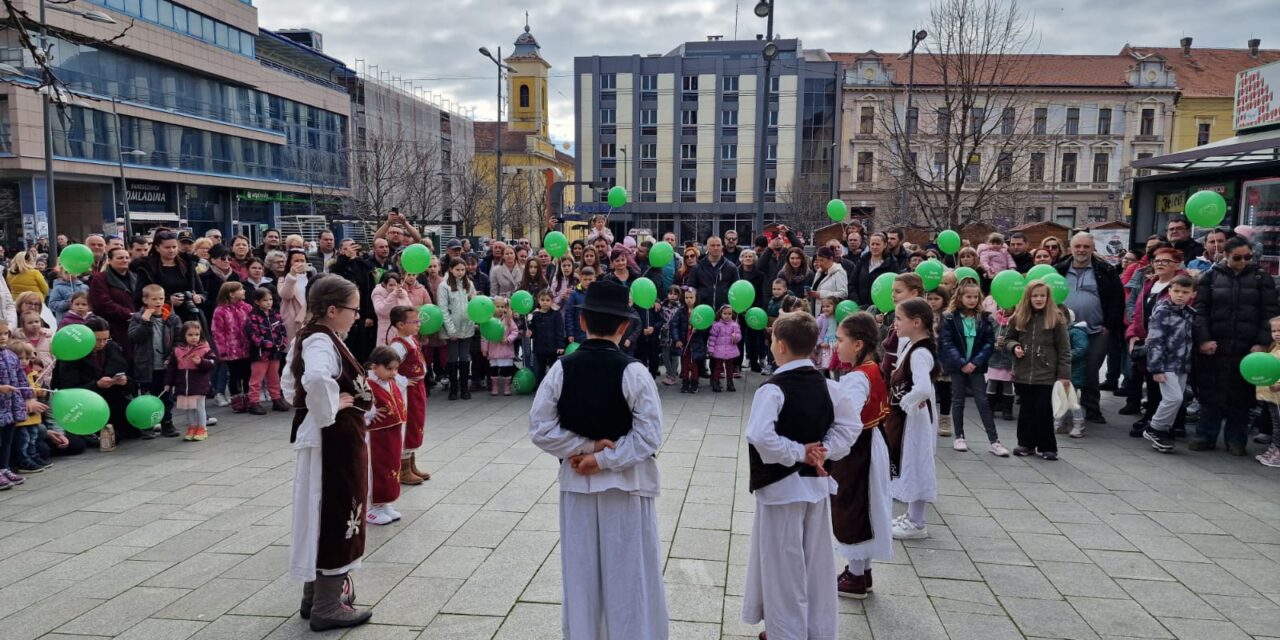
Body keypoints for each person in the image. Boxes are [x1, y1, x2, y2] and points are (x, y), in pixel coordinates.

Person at [528, 280, 669, 640]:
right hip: (626, 485)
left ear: (585, 322)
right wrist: (602, 456)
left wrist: (587, 450)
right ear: (624, 327)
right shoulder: (635, 372)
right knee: (630, 574)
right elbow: (649, 435)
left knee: (581, 576)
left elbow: (540, 429)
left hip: (578, 483)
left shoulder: (561, 369)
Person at [741, 311, 853, 639]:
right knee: (816, 563)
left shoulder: (773, 389)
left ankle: (786, 632)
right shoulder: (830, 387)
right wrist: (824, 450)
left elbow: (760, 435)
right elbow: (850, 427)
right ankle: (815, 630)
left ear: (780, 345)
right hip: (815, 486)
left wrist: (800, 452)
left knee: (782, 566)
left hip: (780, 488)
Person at [280, 275, 374, 632]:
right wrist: (331, 408)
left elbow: (291, 383)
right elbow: (315, 380)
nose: (356, 315)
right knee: (333, 514)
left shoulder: (318, 336)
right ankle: (327, 605)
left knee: (324, 514)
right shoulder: (320, 340)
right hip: (331, 444)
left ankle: (314, 598)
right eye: (353, 309)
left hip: (329, 440)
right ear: (332, 309)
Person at [1194, 236, 1278, 454]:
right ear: (1226, 256)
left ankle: (1236, 440)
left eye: (1247, 257)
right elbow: (1201, 311)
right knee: (1211, 392)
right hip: (1216, 344)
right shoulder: (1210, 277)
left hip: (1247, 346)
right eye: (1237, 257)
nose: (1243, 261)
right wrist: (1203, 339)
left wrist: (1261, 343)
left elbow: (1269, 314)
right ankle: (1205, 436)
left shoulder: (1262, 278)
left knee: (1241, 396)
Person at [830, 312, 892, 599]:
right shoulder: (872, 368)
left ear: (858, 344)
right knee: (864, 506)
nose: (835, 345)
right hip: (870, 441)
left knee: (853, 506)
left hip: (857, 449)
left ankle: (856, 577)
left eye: (840, 340)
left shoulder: (857, 377)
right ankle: (861, 570)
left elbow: (848, 418)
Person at [1056, 232, 1124, 427]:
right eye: (1078, 246)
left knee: (1091, 368)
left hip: (1096, 331)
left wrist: (1109, 326)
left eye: (1086, 246)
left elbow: (1117, 299)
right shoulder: (1058, 269)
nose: (1081, 250)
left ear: (1093, 248)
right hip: (1063, 330)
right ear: (1071, 247)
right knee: (1061, 367)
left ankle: (1091, 408)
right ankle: (1059, 407)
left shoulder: (1105, 270)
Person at [886, 298, 939, 540]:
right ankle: (912, 514)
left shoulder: (920, 352)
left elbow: (923, 387)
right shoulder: (911, 345)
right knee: (910, 463)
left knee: (917, 464)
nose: (895, 323)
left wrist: (909, 400)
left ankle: (917, 522)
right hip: (907, 418)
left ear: (916, 322)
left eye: (899, 319)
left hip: (914, 420)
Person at [1006, 281, 1071, 460]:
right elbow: (1007, 340)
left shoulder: (1056, 319)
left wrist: (1064, 375)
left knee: (1043, 410)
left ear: (1048, 298)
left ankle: (1047, 446)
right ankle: (1026, 443)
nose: (1039, 299)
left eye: (1042, 295)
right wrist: (1014, 347)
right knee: (1026, 410)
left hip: (1046, 374)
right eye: (1035, 295)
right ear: (1028, 298)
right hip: (1023, 374)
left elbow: (1064, 349)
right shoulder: (1018, 317)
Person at [53, 317, 130, 447]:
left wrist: (124, 381)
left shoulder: (111, 348)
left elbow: (126, 371)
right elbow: (67, 388)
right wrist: (96, 385)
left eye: (105, 339)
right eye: (97, 340)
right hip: (82, 403)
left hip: (112, 398)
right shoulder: (72, 354)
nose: (102, 343)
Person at [1141, 275, 1196, 454]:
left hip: (1182, 363)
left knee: (1177, 399)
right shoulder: (1162, 311)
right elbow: (1156, 340)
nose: (1180, 295)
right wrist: (1156, 368)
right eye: (1176, 291)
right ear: (1170, 291)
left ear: (1192, 294)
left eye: (1185, 292)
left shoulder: (1189, 312)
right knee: (1174, 398)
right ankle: (1155, 427)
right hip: (1165, 363)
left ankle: (1162, 431)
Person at [129, 284, 183, 438]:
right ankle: (147, 424)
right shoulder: (138, 318)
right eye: (154, 299)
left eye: (161, 298)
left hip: (165, 366)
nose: (158, 302)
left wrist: (172, 357)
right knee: (147, 397)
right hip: (146, 366)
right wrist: (145, 322)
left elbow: (179, 340)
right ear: (145, 300)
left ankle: (167, 423)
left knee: (166, 396)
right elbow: (134, 337)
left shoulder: (172, 318)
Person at [364, 345, 407, 526]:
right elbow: (360, 408)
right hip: (376, 438)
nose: (393, 373)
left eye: (396, 368)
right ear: (374, 367)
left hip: (392, 433)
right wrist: (370, 413)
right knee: (378, 469)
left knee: (392, 466)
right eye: (389, 368)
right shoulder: (367, 385)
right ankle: (373, 507)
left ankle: (385, 502)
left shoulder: (390, 382)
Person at [386, 305, 430, 482]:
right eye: (414, 321)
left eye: (418, 321)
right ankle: (403, 469)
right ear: (400, 325)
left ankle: (411, 463)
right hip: (407, 392)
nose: (418, 324)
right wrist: (403, 381)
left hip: (417, 387)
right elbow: (388, 368)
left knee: (417, 422)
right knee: (408, 423)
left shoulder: (411, 339)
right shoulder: (398, 345)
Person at [0, 326, 39, 487]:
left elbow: (21, 377)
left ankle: (4, 468)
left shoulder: (10, 355)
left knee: (7, 438)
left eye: (4, 333)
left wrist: (29, 397)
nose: (2, 337)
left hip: (11, 406)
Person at [165, 320, 216, 442]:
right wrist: (168, 383)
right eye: (190, 335)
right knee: (188, 408)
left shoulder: (205, 349)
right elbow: (172, 368)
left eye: (196, 335)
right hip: (183, 385)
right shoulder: (178, 350)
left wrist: (201, 362)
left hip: (198, 384)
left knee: (199, 408)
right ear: (184, 335)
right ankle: (192, 427)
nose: (194, 338)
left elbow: (212, 363)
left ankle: (202, 428)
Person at [245, 287, 290, 415]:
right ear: (257, 301)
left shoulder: (275, 315)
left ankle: (276, 399)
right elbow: (253, 335)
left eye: (270, 299)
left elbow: (282, 331)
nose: (269, 302)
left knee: (274, 377)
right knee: (256, 378)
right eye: (265, 300)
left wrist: (282, 343)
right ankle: (254, 402)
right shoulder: (253, 317)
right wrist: (267, 344)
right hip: (260, 354)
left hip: (274, 353)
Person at [438, 257, 477, 401]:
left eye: (462, 269)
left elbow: (473, 305)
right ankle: (453, 390)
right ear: (451, 269)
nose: (460, 273)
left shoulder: (469, 284)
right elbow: (443, 309)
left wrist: (473, 321)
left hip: (466, 326)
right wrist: (451, 330)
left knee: (465, 357)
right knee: (453, 358)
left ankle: (464, 389)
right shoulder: (444, 286)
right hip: (452, 329)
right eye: (457, 270)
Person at [8, 340, 49, 474]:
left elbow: (32, 387)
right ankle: (23, 459)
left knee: (33, 436)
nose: (24, 361)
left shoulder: (30, 373)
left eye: (27, 358)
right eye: (20, 358)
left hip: (33, 415)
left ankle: (33, 455)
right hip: (22, 415)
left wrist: (39, 391)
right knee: (24, 438)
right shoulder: (13, 375)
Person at [213, 282, 253, 414]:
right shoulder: (220, 311)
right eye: (240, 290)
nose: (244, 291)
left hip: (246, 348)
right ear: (231, 294)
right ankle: (237, 401)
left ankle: (249, 399)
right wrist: (222, 350)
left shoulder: (247, 308)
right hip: (232, 350)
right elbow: (218, 332)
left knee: (248, 374)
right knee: (235, 375)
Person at [481, 297, 520, 396]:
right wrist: (484, 349)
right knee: (494, 370)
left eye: (502, 307)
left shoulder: (508, 320)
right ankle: (495, 386)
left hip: (506, 350)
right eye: (497, 306)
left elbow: (515, 331)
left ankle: (507, 386)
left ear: (506, 308)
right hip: (493, 351)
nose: (500, 309)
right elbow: (484, 335)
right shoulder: (488, 320)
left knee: (507, 369)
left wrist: (508, 339)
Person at [1256, 317, 1280, 467]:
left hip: (1277, 393)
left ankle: (1278, 452)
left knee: (1279, 425)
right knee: (1275, 424)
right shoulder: (1274, 347)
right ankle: (1274, 448)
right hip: (1271, 395)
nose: (1277, 334)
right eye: (1274, 331)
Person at [673, 287, 708, 394]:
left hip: (696, 343)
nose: (689, 300)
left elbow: (706, 326)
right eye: (686, 297)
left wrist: (699, 329)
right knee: (685, 362)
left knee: (695, 363)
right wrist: (677, 339)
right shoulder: (680, 311)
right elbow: (674, 325)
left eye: (691, 297)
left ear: (696, 298)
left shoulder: (700, 311)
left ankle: (694, 382)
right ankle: (685, 382)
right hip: (684, 343)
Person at [690, 236, 739, 309]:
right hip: (702, 310)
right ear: (707, 247)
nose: (716, 248)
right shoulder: (697, 267)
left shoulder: (731, 267)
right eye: (713, 245)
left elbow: (736, 290)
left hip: (724, 313)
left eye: (718, 245)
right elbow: (691, 288)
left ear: (722, 246)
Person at [851, 232, 898, 307]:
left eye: (878, 244)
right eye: (872, 244)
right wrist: (857, 303)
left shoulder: (891, 264)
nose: (874, 247)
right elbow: (852, 284)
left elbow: (894, 287)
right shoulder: (862, 261)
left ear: (885, 245)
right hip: (860, 307)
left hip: (880, 308)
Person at [529, 290, 566, 382]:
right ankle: (540, 386)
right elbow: (533, 330)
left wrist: (561, 345)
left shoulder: (556, 314)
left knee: (553, 368)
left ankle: (553, 386)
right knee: (541, 368)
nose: (545, 302)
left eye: (547, 300)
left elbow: (560, 331)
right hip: (539, 347)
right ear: (538, 300)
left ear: (552, 301)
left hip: (553, 347)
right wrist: (530, 332)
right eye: (542, 300)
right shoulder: (535, 314)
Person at [708, 304, 742, 392]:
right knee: (718, 367)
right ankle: (716, 382)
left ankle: (730, 383)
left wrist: (736, 337)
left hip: (730, 351)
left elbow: (738, 336)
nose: (727, 316)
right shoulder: (716, 325)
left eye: (729, 314)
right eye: (725, 313)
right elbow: (712, 338)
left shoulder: (735, 325)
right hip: (719, 351)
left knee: (730, 368)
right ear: (720, 314)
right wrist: (711, 349)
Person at [371, 272, 411, 348]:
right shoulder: (378, 293)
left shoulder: (402, 294)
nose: (393, 287)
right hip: (385, 332)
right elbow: (381, 311)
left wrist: (403, 297)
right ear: (384, 285)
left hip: (401, 331)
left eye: (395, 285)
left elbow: (409, 310)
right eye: (390, 285)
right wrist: (392, 296)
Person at [280, 249, 311, 344]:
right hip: (292, 321)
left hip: (308, 318)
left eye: (302, 261)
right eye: (296, 261)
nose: (300, 263)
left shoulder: (312, 278)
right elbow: (286, 295)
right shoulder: (283, 279)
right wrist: (292, 275)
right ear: (290, 263)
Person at [809, 246, 848, 316]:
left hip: (830, 315)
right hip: (816, 313)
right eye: (818, 260)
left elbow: (843, 293)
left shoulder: (839, 272)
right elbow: (816, 290)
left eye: (822, 260)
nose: (819, 263)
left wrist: (821, 294)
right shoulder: (819, 273)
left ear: (831, 259)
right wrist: (810, 293)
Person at [658, 285, 683, 385]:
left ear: (678, 295)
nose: (672, 296)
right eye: (670, 293)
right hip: (664, 334)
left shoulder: (680, 307)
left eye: (675, 294)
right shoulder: (662, 305)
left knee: (675, 355)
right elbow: (659, 318)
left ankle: (672, 375)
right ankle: (670, 372)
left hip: (676, 334)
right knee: (665, 354)